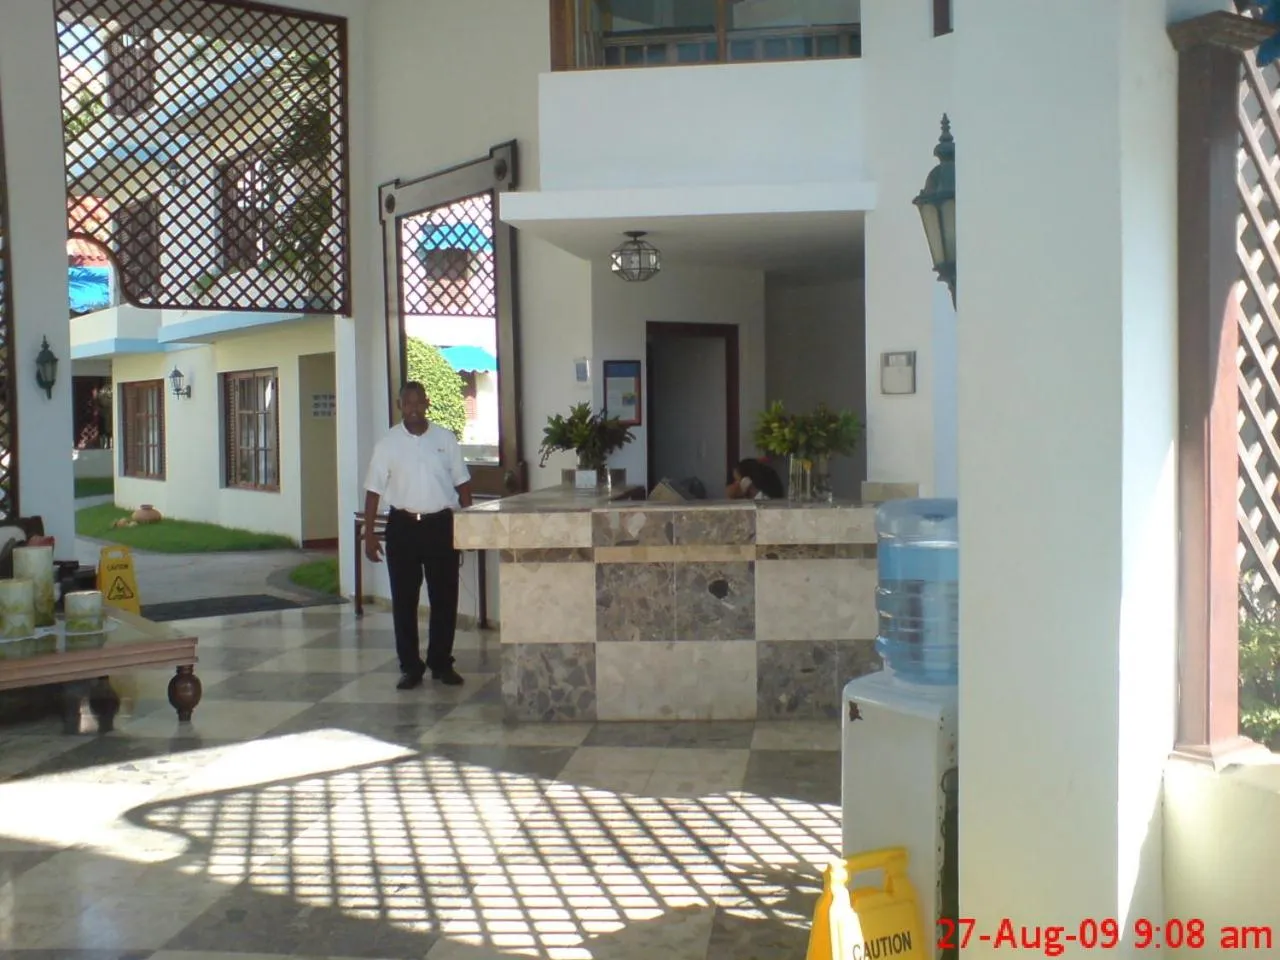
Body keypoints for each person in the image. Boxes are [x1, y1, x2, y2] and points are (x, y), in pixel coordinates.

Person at [363, 381, 472, 690]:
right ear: (399, 406)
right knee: (404, 600)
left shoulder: (445, 439)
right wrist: (370, 534)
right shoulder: (387, 444)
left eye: (418, 402)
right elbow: (373, 491)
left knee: (444, 598)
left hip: (441, 526)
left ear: (427, 403)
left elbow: (463, 484)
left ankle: (441, 663)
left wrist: (469, 526)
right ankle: (410, 666)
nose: (413, 408)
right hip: (403, 528)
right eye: (406, 403)